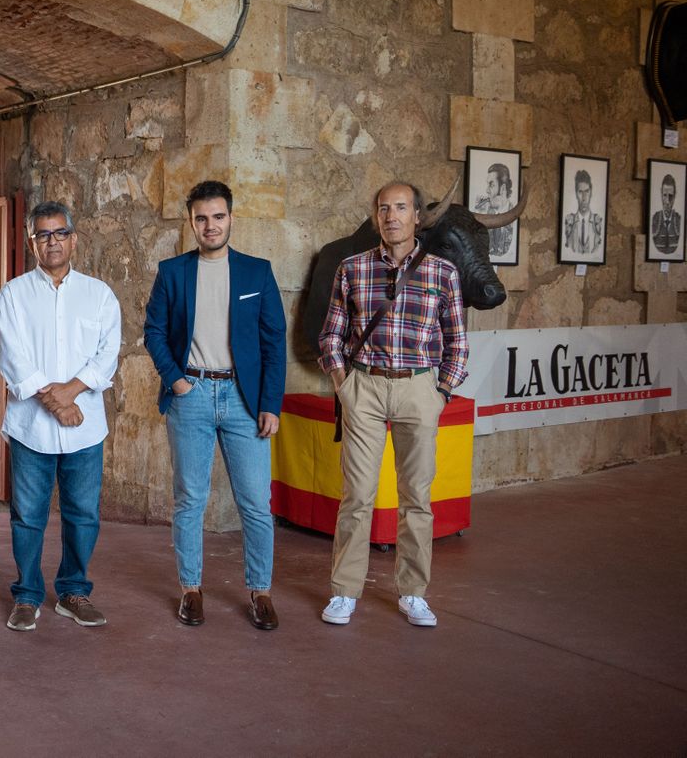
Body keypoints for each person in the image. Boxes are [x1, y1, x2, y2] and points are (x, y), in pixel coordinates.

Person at [318, 181, 467, 629]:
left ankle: (413, 593)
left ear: (417, 216)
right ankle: (344, 592)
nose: (391, 216)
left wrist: (439, 393)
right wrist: (344, 384)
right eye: (383, 208)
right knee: (357, 497)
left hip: (418, 389)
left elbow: (457, 341)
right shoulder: (352, 268)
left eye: (400, 208)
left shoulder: (443, 272)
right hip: (363, 386)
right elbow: (331, 335)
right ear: (376, 215)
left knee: (416, 499)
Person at [143, 180, 287, 631]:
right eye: (202, 218)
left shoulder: (256, 272)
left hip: (245, 400)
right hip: (193, 396)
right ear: (191, 221)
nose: (210, 225)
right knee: (190, 499)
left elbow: (273, 343)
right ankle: (191, 588)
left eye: (218, 217)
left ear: (231, 218)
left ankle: (260, 591)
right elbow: (154, 332)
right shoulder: (173, 272)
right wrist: (177, 381)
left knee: (256, 504)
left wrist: (270, 404)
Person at [0, 201, 120, 632]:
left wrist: (70, 394)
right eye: (43, 235)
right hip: (32, 428)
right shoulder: (13, 294)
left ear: (74, 238)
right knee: (28, 514)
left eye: (60, 233)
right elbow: (15, 359)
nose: (53, 242)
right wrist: (56, 403)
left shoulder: (100, 295)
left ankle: (73, 592)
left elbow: (107, 356)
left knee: (83, 513)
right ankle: (27, 596)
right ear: (32, 242)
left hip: (84, 429)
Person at [473, 163, 515, 259]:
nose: (487, 190)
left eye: (491, 185)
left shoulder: (512, 211)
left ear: (503, 188)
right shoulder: (481, 209)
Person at [562, 168, 603, 257]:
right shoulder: (568, 221)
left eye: (587, 191)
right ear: (576, 193)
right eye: (580, 192)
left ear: (591, 192)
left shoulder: (599, 221)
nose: (584, 198)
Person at [652, 173, 681, 257]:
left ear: (675, 195)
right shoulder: (655, 218)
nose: (667, 202)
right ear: (661, 194)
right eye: (665, 195)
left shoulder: (679, 219)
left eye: (671, 196)